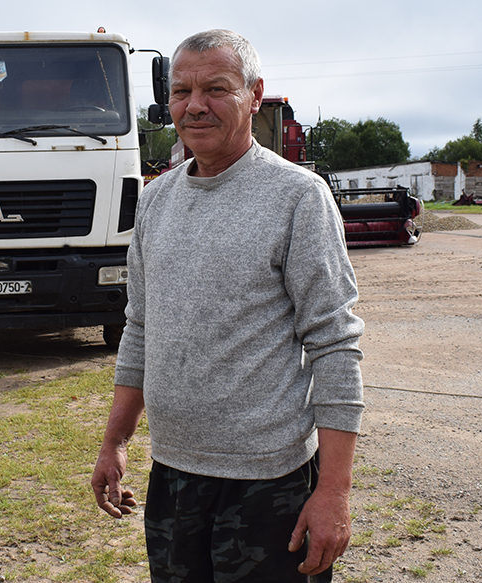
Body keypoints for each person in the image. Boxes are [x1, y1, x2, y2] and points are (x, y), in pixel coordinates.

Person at [91, 29, 365, 582]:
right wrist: (114, 441)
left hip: (270, 484)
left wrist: (334, 491)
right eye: (181, 91)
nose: (195, 106)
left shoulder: (297, 197)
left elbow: (334, 345)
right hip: (173, 474)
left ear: (254, 94)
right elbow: (140, 328)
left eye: (216, 89)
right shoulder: (155, 201)